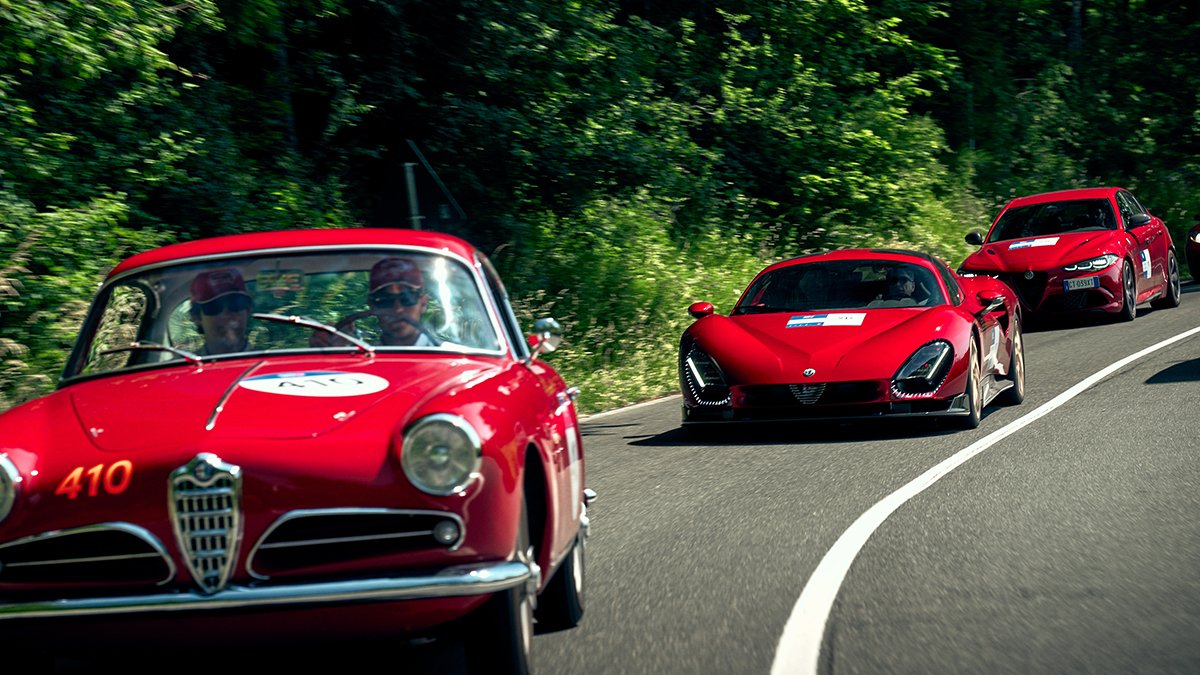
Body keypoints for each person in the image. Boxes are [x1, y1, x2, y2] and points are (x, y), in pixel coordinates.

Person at [367, 256, 438, 346]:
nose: (398, 309)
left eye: (407, 298)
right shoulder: (355, 353)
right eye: (385, 300)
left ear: (423, 303)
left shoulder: (449, 352)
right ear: (372, 307)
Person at [189, 268, 252, 354]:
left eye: (236, 305)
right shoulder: (182, 363)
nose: (226, 315)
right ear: (197, 317)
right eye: (214, 307)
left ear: (248, 311)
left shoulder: (268, 360)